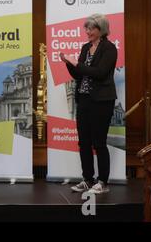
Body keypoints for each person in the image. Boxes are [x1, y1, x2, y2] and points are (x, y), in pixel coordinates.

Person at [60, 13, 117, 195]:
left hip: (102, 101)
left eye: (91, 28)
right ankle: (87, 179)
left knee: (99, 143)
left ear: (101, 29)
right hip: (84, 100)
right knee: (83, 142)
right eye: (86, 28)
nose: (87, 31)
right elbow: (79, 74)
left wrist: (76, 63)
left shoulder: (109, 48)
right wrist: (69, 63)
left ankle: (102, 182)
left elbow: (99, 73)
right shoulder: (85, 48)